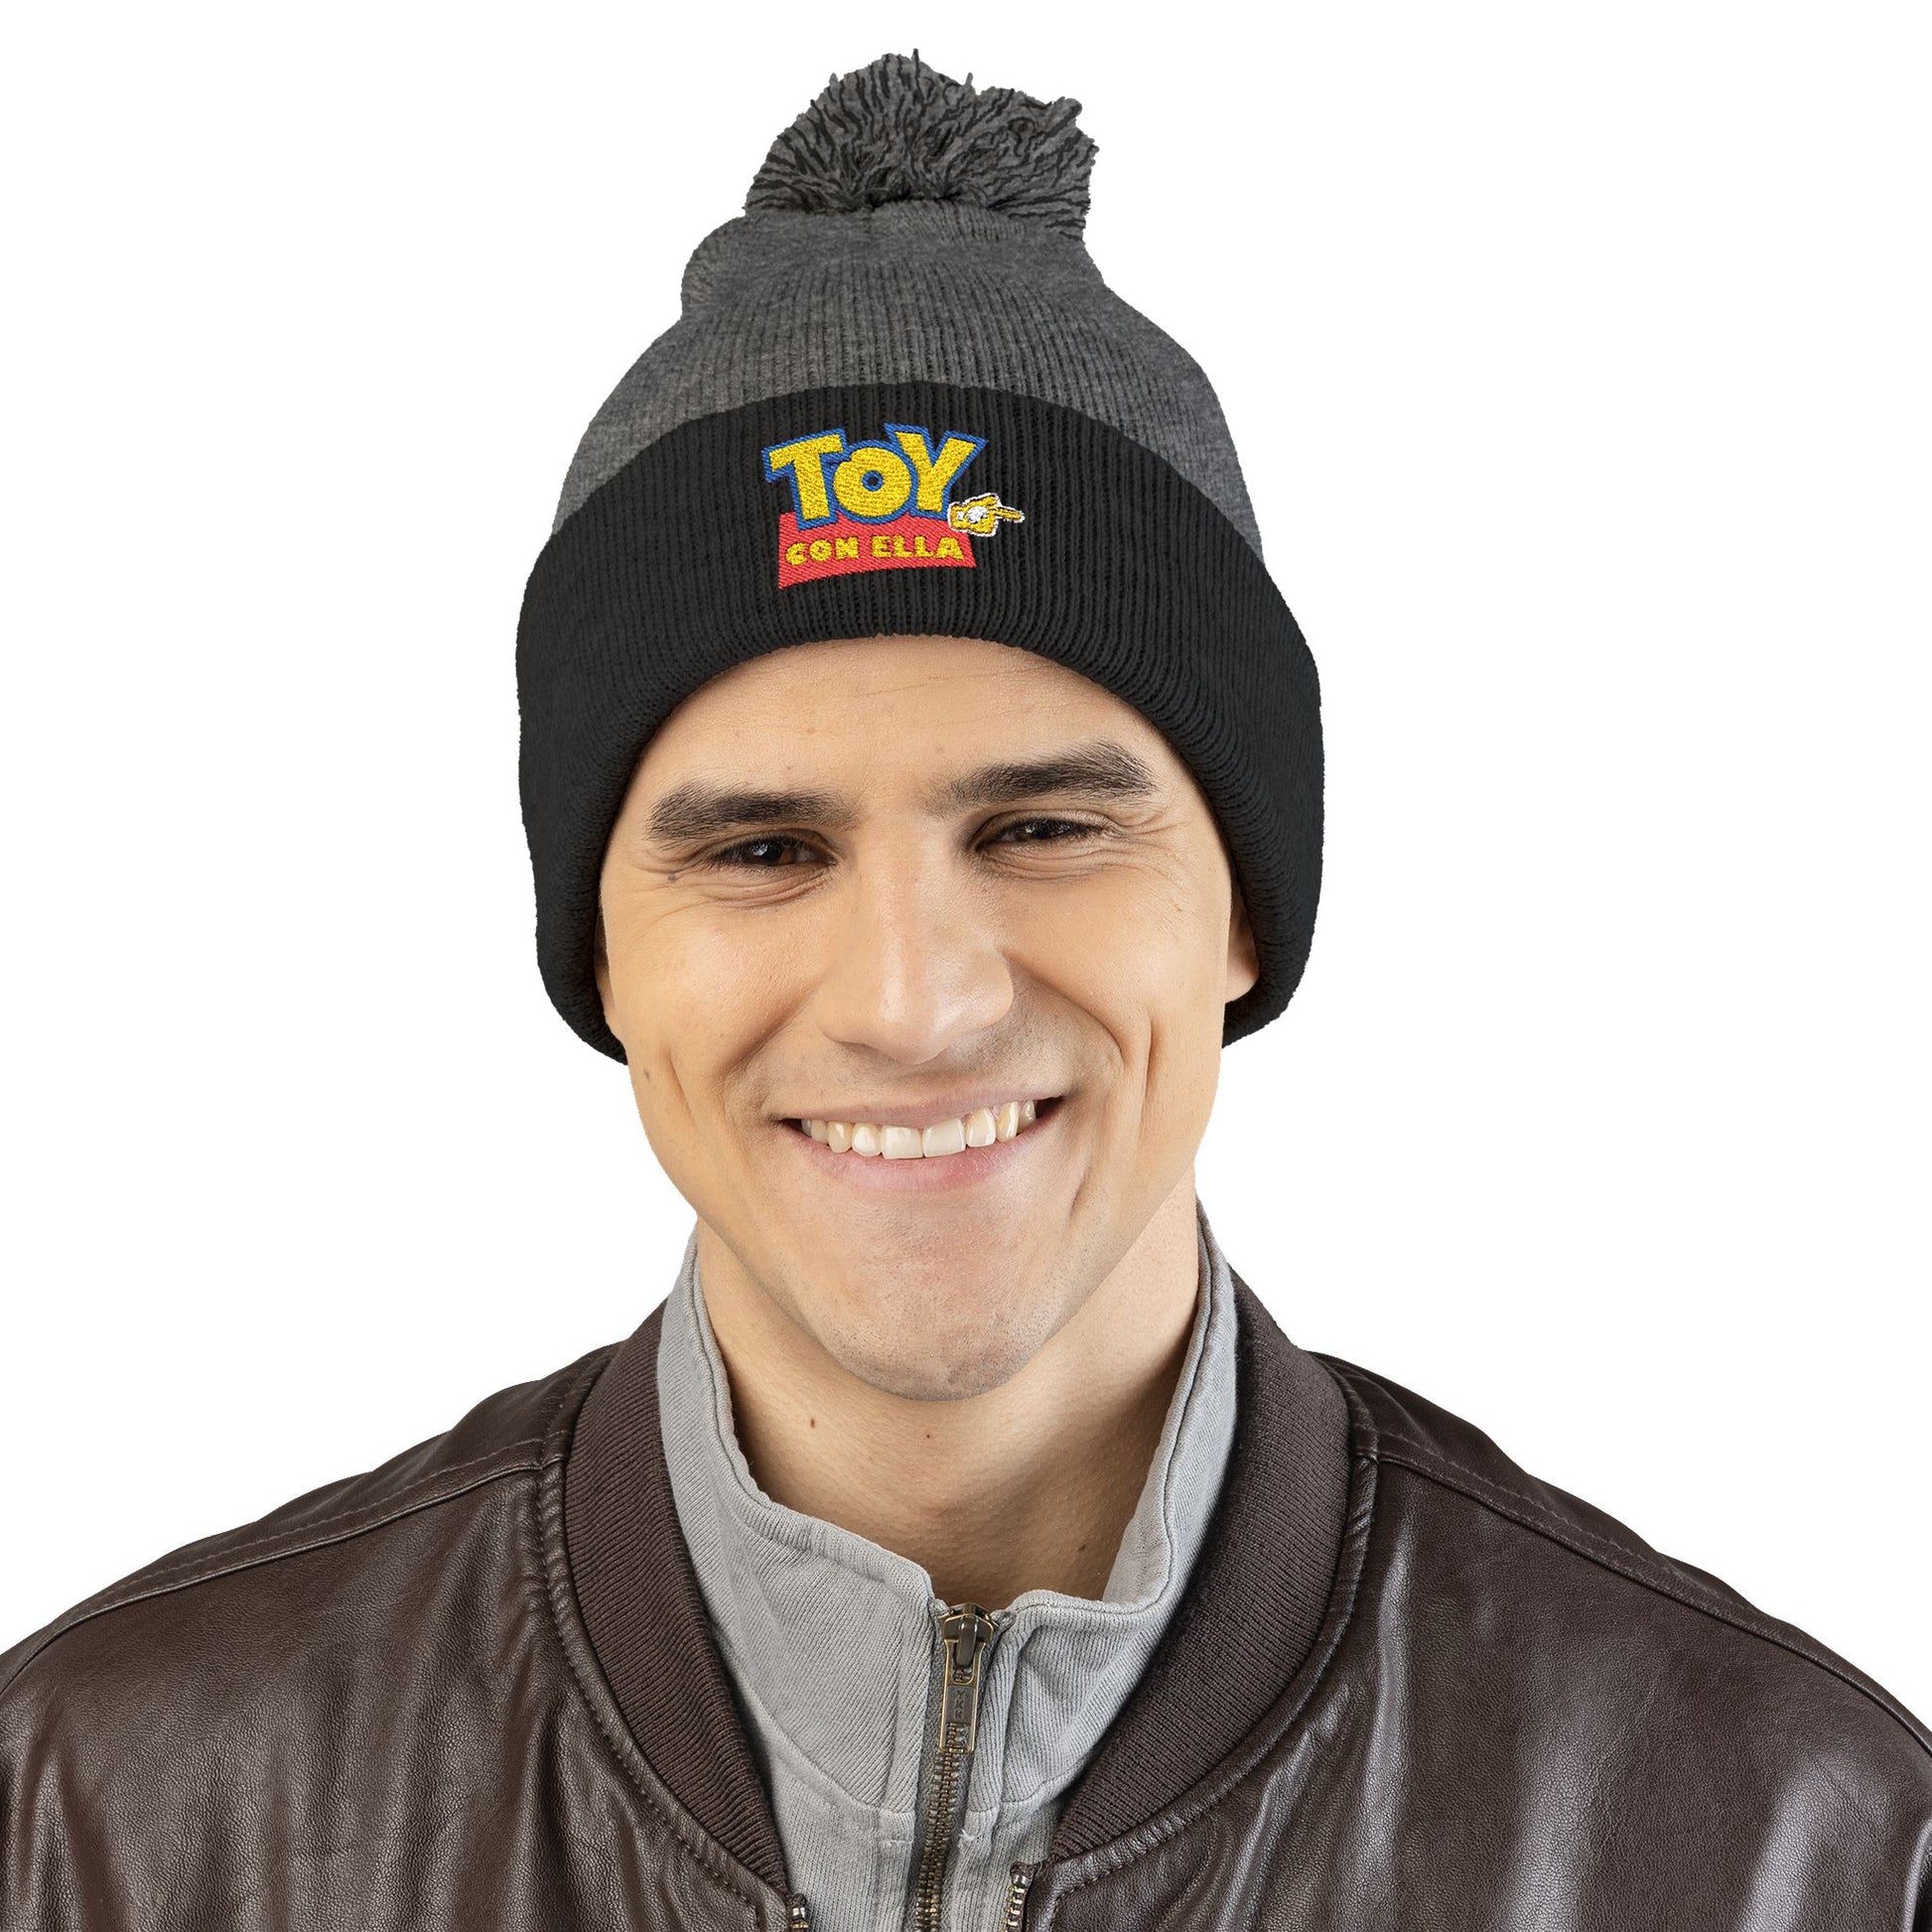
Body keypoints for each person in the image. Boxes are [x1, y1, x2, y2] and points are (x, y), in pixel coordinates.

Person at [2, 51, 1925, 1932]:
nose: (912, 1002)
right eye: (763, 850)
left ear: (1245, 906)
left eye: (1042, 829)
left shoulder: (1791, 1853)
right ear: (598, 950)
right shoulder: (103, 1817)